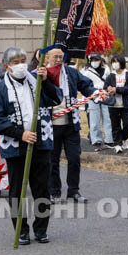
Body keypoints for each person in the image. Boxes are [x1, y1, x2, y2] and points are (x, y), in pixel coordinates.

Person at [0, 46, 62, 246]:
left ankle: (41, 229)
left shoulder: (36, 81)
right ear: (6, 66)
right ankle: (21, 230)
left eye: (23, 60)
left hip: (41, 143)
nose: (21, 65)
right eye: (15, 62)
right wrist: (20, 134)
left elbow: (57, 98)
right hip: (15, 147)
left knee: (42, 189)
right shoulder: (0, 89)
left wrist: (46, 82)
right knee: (17, 191)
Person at [45, 47, 97, 203]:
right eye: (55, 57)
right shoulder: (41, 75)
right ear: (47, 58)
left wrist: (96, 93)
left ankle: (74, 190)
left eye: (61, 57)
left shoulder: (70, 73)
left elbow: (86, 86)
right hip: (51, 124)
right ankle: (54, 191)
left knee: (74, 158)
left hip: (70, 123)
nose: (58, 60)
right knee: (52, 160)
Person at [82, 53, 115, 149]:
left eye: (96, 60)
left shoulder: (106, 69)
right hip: (93, 96)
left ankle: (109, 139)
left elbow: (109, 81)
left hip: (105, 94)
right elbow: (84, 85)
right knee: (94, 119)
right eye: (92, 60)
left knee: (108, 118)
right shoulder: (85, 70)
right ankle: (96, 139)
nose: (94, 62)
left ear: (100, 60)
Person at [104, 54, 128, 154]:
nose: (115, 64)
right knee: (115, 125)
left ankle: (124, 138)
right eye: (113, 62)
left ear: (121, 62)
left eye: (116, 62)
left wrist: (116, 89)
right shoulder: (111, 75)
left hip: (125, 104)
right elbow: (105, 87)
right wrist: (108, 89)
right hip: (113, 104)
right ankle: (117, 144)